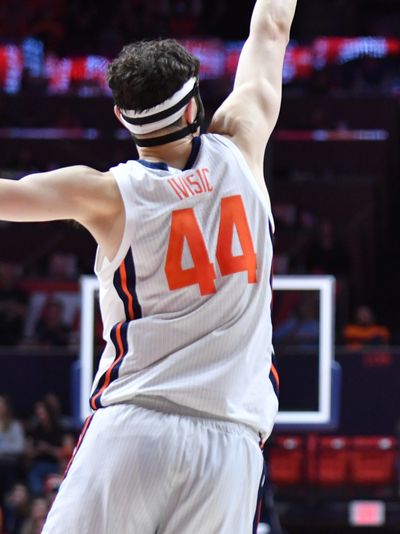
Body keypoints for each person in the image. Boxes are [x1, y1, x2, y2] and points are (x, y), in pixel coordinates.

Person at [0, 0, 297, 530]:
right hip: (231, 443)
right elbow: (272, 26)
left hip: (137, 425)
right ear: (192, 109)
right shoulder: (244, 145)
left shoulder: (106, 195)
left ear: (121, 116)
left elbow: (11, 197)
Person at [0, 396, 24, 498]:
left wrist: (3, 449)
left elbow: (19, 447)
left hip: (10, 464)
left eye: (1, 404)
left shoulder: (15, 426)